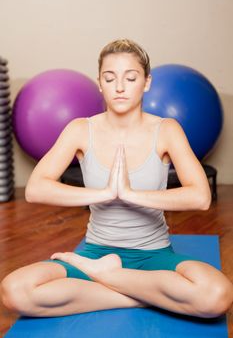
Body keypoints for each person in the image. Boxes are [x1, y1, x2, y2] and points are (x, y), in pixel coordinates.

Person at [1, 39, 232, 318]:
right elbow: (35, 189)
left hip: (154, 256)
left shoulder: (167, 130)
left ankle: (107, 278)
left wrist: (131, 194)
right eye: (110, 78)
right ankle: (140, 295)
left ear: (146, 82)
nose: (120, 87)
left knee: (216, 295)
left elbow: (200, 197)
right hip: (95, 254)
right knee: (15, 290)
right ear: (100, 83)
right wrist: (106, 193)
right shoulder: (80, 129)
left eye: (130, 78)